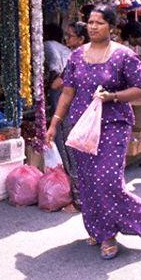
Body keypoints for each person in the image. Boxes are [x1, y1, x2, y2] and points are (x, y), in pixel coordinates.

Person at [45, 5, 141, 260]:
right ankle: (98, 227)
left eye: (99, 22)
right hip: (82, 127)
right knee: (87, 182)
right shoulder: (76, 56)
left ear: (111, 26)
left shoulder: (123, 56)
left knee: (108, 180)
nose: (93, 26)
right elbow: (67, 92)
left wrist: (114, 96)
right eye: (90, 22)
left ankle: (117, 230)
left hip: (113, 125)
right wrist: (53, 124)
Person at [49, 20, 88, 212]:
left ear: (81, 39)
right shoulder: (93, 55)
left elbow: (59, 85)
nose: (67, 39)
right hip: (86, 112)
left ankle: (79, 199)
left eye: (71, 35)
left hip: (74, 112)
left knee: (71, 152)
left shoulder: (77, 57)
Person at [44, 23, 73, 111]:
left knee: (59, 112)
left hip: (60, 82)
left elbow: (55, 66)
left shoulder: (48, 44)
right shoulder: (62, 47)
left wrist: (49, 85)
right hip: (68, 81)